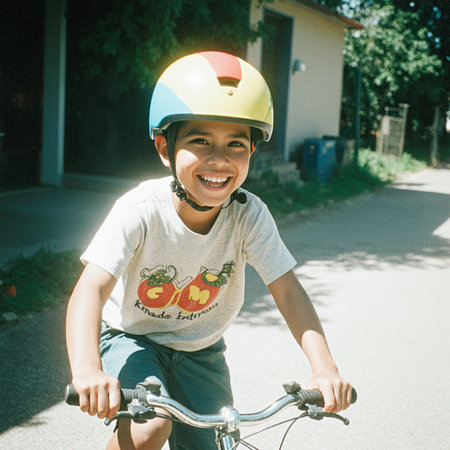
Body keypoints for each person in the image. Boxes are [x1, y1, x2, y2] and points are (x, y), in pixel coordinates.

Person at [66, 51, 353, 450]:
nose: (219, 160)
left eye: (236, 143)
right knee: (151, 427)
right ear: (166, 148)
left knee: (219, 443)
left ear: (252, 152)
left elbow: (287, 290)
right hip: (132, 338)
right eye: (200, 141)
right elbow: (90, 289)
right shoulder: (140, 210)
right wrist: (86, 369)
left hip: (201, 351)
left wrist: (324, 368)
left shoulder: (249, 215)